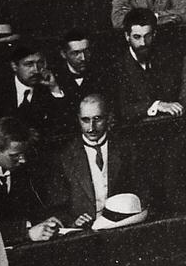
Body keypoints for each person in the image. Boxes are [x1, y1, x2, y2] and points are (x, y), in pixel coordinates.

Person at [47, 94, 150, 229]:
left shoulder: (127, 149)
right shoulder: (64, 157)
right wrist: (73, 221)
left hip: (123, 227)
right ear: (78, 119)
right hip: (83, 232)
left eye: (97, 119)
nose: (91, 127)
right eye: (85, 120)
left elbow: (143, 192)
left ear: (108, 117)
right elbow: (57, 206)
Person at [0, 116, 60, 244]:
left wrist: (45, 221)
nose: (23, 160)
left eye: (24, 153)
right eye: (15, 156)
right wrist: (26, 233)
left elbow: (33, 210)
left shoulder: (26, 171)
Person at [0, 40, 70, 135]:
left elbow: (63, 126)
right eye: (29, 64)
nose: (36, 70)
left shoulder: (49, 87)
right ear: (14, 66)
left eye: (40, 63)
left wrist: (54, 88)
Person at [109, 8, 183, 121]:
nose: (143, 43)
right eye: (137, 37)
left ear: (154, 34)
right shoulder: (117, 66)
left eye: (147, 36)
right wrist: (156, 105)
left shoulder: (168, 59)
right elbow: (121, 110)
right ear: (127, 36)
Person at [54, 31, 99, 104]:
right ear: (63, 54)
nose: (83, 58)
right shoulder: (55, 78)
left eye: (86, 51)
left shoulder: (101, 74)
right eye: (76, 53)